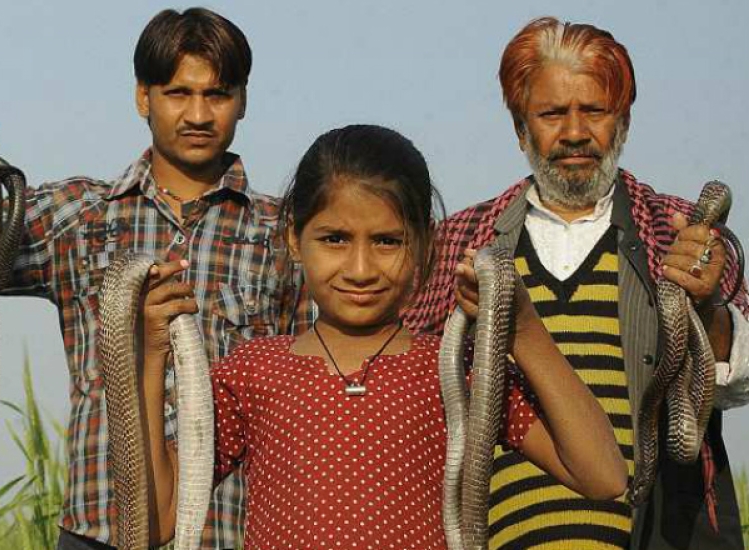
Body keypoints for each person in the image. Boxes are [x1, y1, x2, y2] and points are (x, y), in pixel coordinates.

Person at [0, 8, 313, 550]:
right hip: (98, 531)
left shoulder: (285, 233)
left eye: (217, 95)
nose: (198, 114)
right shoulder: (79, 215)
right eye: (178, 93)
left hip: (232, 531)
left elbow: (311, 390)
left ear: (242, 100)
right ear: (143, 98)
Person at [140, 124, 627, 549]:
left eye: (387, 242)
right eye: (334, 239)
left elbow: (602, 476)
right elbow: (156, 520)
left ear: (426, 244)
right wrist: (150, 354)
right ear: (294, 238)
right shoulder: (253, 371)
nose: (360, 269)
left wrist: (522, 328)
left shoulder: (456, 371)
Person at [405, 17, 749, 550]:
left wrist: (706, 307)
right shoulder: (462, 240)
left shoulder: (679, 230)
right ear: (520, 129)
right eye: (551, 114)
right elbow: (411, 386)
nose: (573, 133)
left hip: (664, 533)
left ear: (623, 122)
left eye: (594, 111)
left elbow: (736, 384)